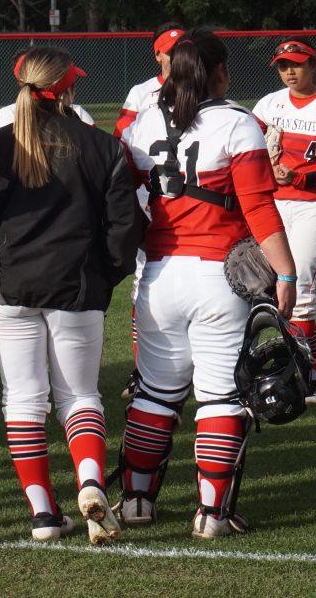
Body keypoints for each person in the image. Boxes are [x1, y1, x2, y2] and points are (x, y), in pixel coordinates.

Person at [0, 47, 144, 544]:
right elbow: (124, 229)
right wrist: (107, 275)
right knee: (79, 396)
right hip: (77, 288)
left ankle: (43, 514)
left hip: (9, 288)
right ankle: (91, 483)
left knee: (23, 398)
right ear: (66, 88)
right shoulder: (101, 146)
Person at [117, 31, 295, 538]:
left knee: (154, 393)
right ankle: (211, 513)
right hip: (217, 275)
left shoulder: (143, 121)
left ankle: (135, 501)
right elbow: (259, 207)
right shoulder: (237, 123)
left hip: (157, 273)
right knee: (218, 398)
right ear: (220, 72)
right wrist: (285, 271)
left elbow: (119, 195)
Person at [252, 40, 316, 404]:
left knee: (301, 295)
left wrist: (300, 178)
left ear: (312, 65)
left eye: (297, 65)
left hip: (310, 207)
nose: (289, 72)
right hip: (271, 206)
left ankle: (304, 380)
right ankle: (311, 375)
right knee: (269, 292)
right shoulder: (267, 104)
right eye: (283, 66)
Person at [113, 22, 186, 399]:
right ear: (157, 54)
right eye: (168, 50)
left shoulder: (198, 86)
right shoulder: (141, 93)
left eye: (181, 49)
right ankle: (143, 371)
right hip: (149, 199)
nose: (175, 56)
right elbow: (121, 143)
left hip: (191, 199)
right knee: (145, 286)